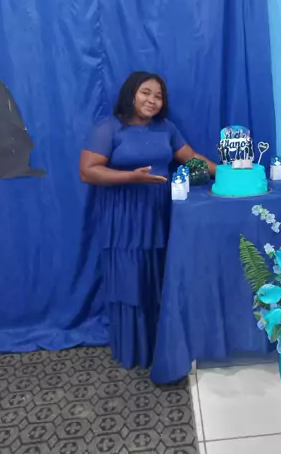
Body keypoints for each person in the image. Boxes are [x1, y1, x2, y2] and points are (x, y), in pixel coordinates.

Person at [79, 71, 215, 369]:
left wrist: (229, 173)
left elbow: (190, 157)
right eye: (146, 93)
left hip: (162, 213)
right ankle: (135, 350)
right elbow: (87, 171)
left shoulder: (166, 128)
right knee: (132, 280)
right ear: (131, 94)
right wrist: (131, 177)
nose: (153, 100)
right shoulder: (109, 128)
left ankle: (163, 345)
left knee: (162, 277)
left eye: (158, 96)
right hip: (125, 217)